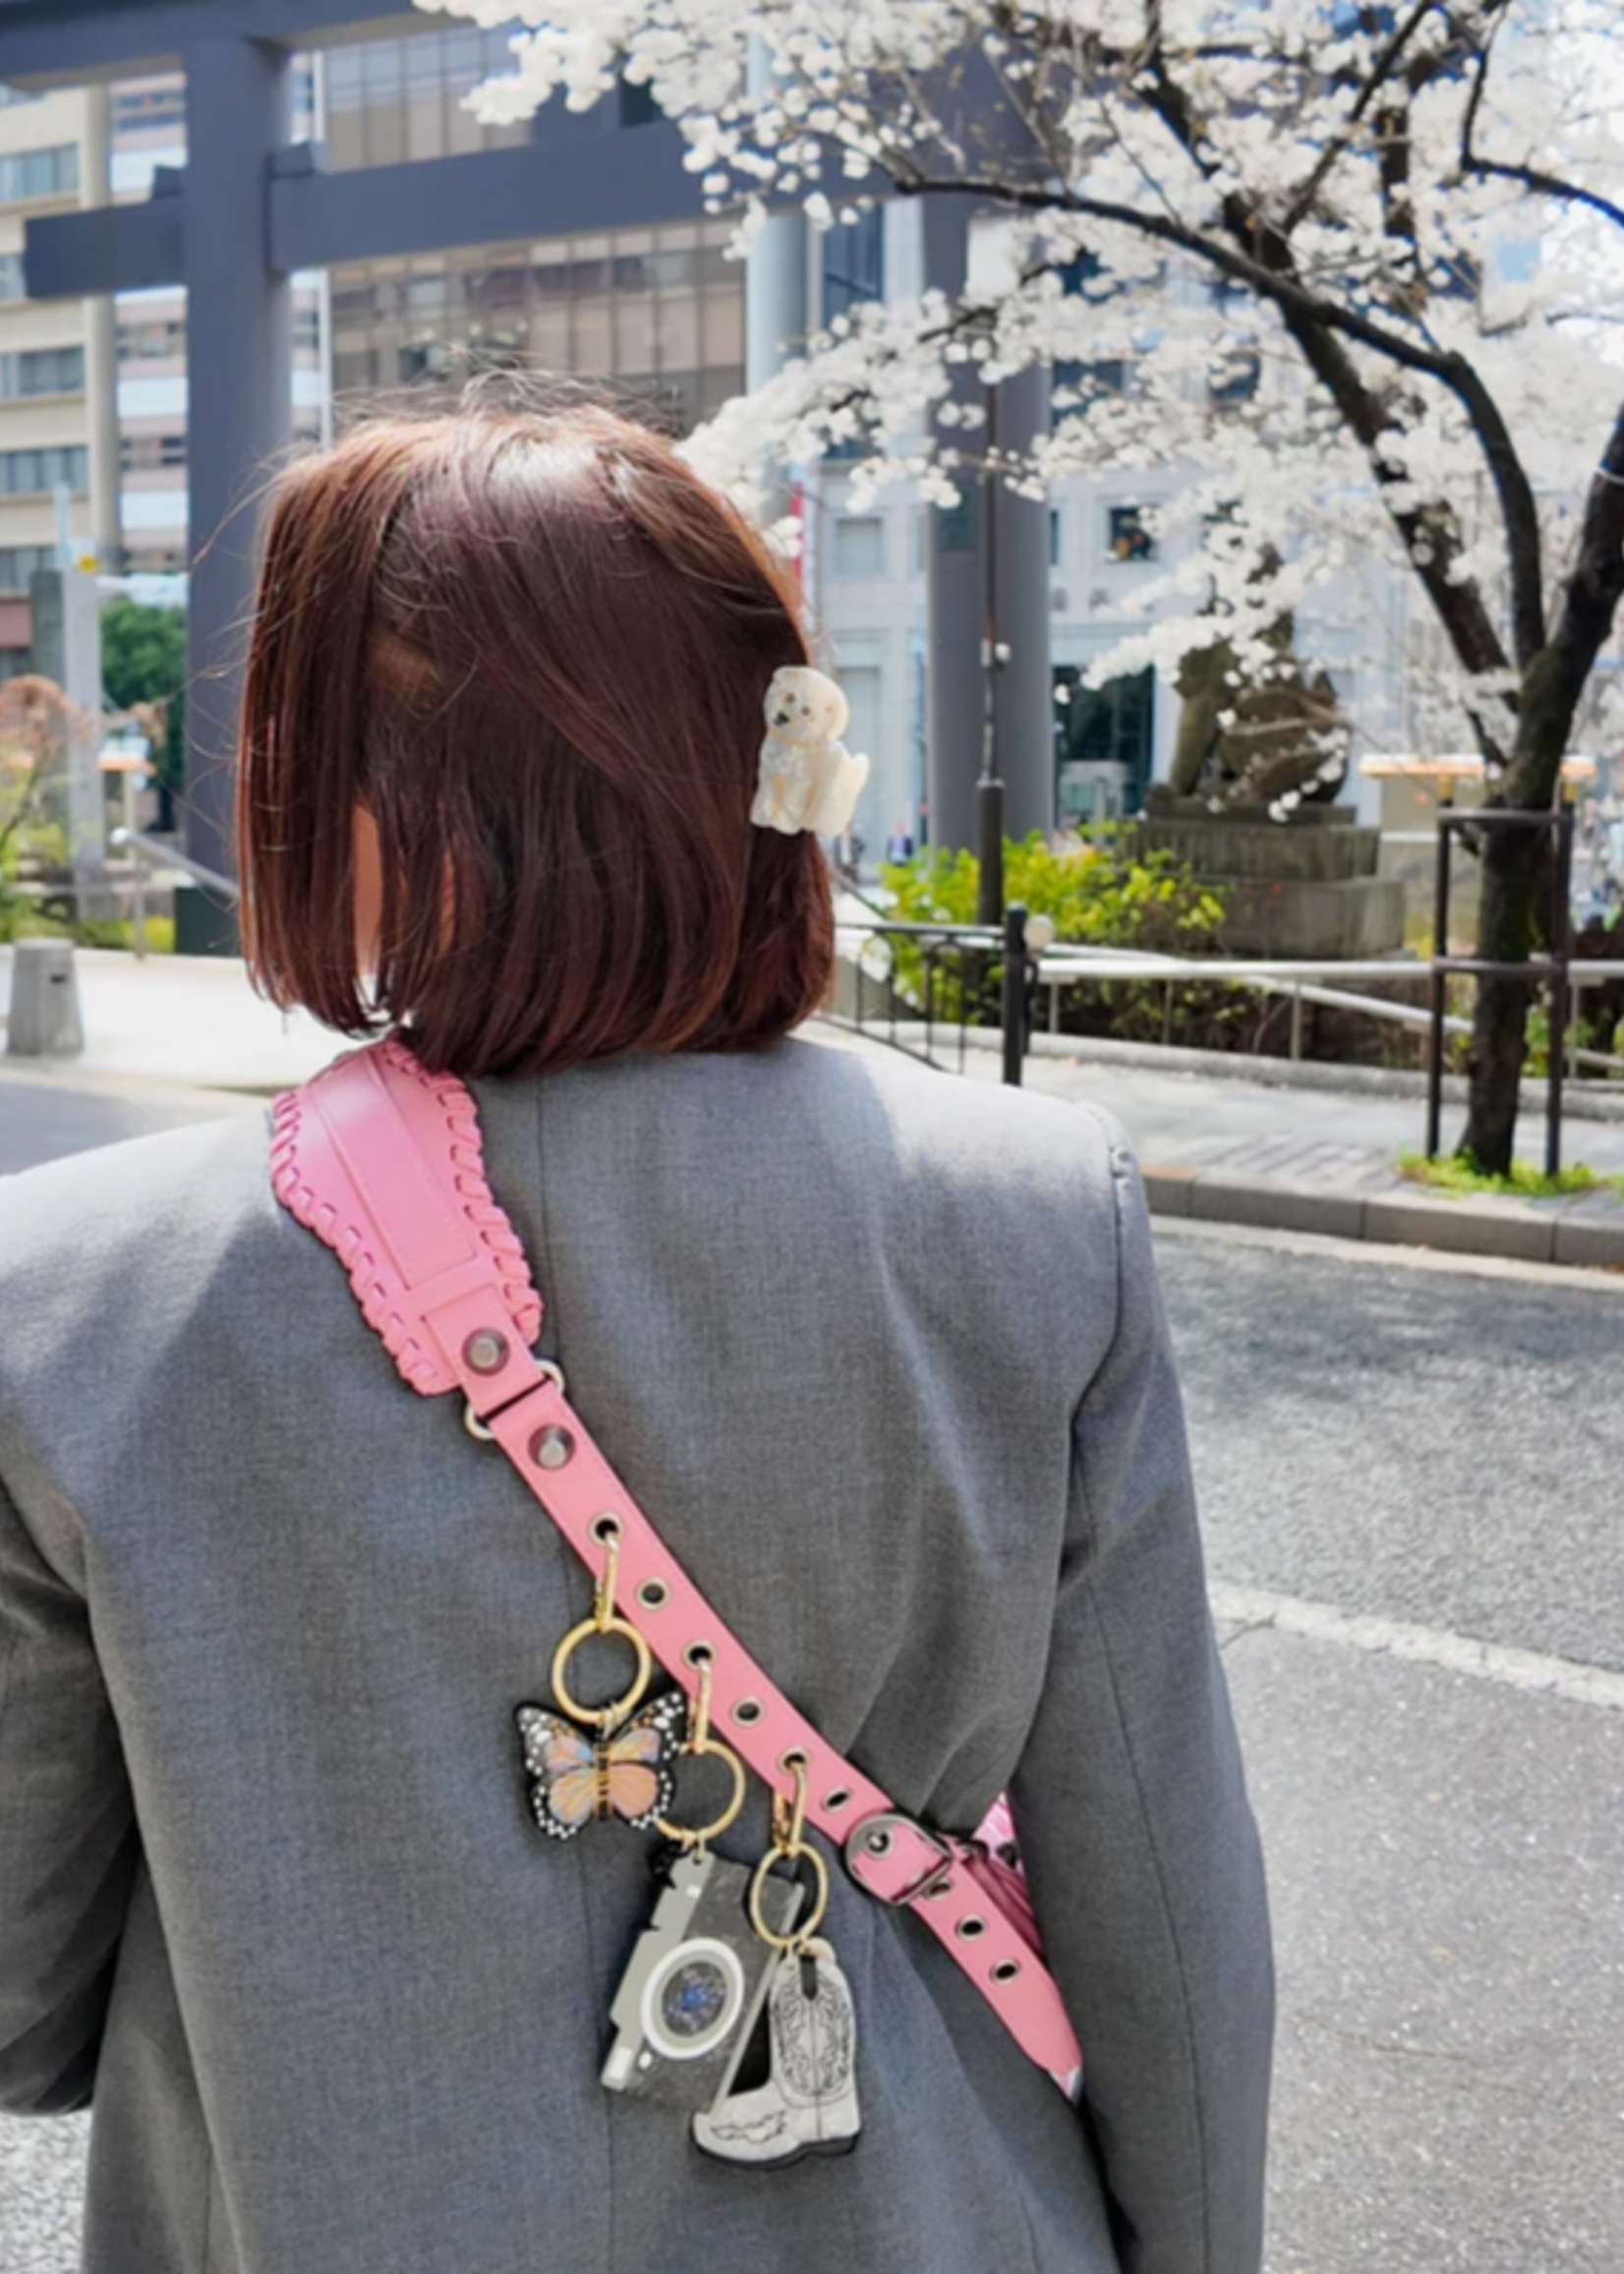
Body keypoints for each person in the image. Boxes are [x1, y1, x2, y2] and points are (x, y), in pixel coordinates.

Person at [0, 400, 1272, 2274]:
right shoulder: (1027, 1217)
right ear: (757, 767)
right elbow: (1167, 1922)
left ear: (334, 787)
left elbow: (20, 1988)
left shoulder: (76, 1292)